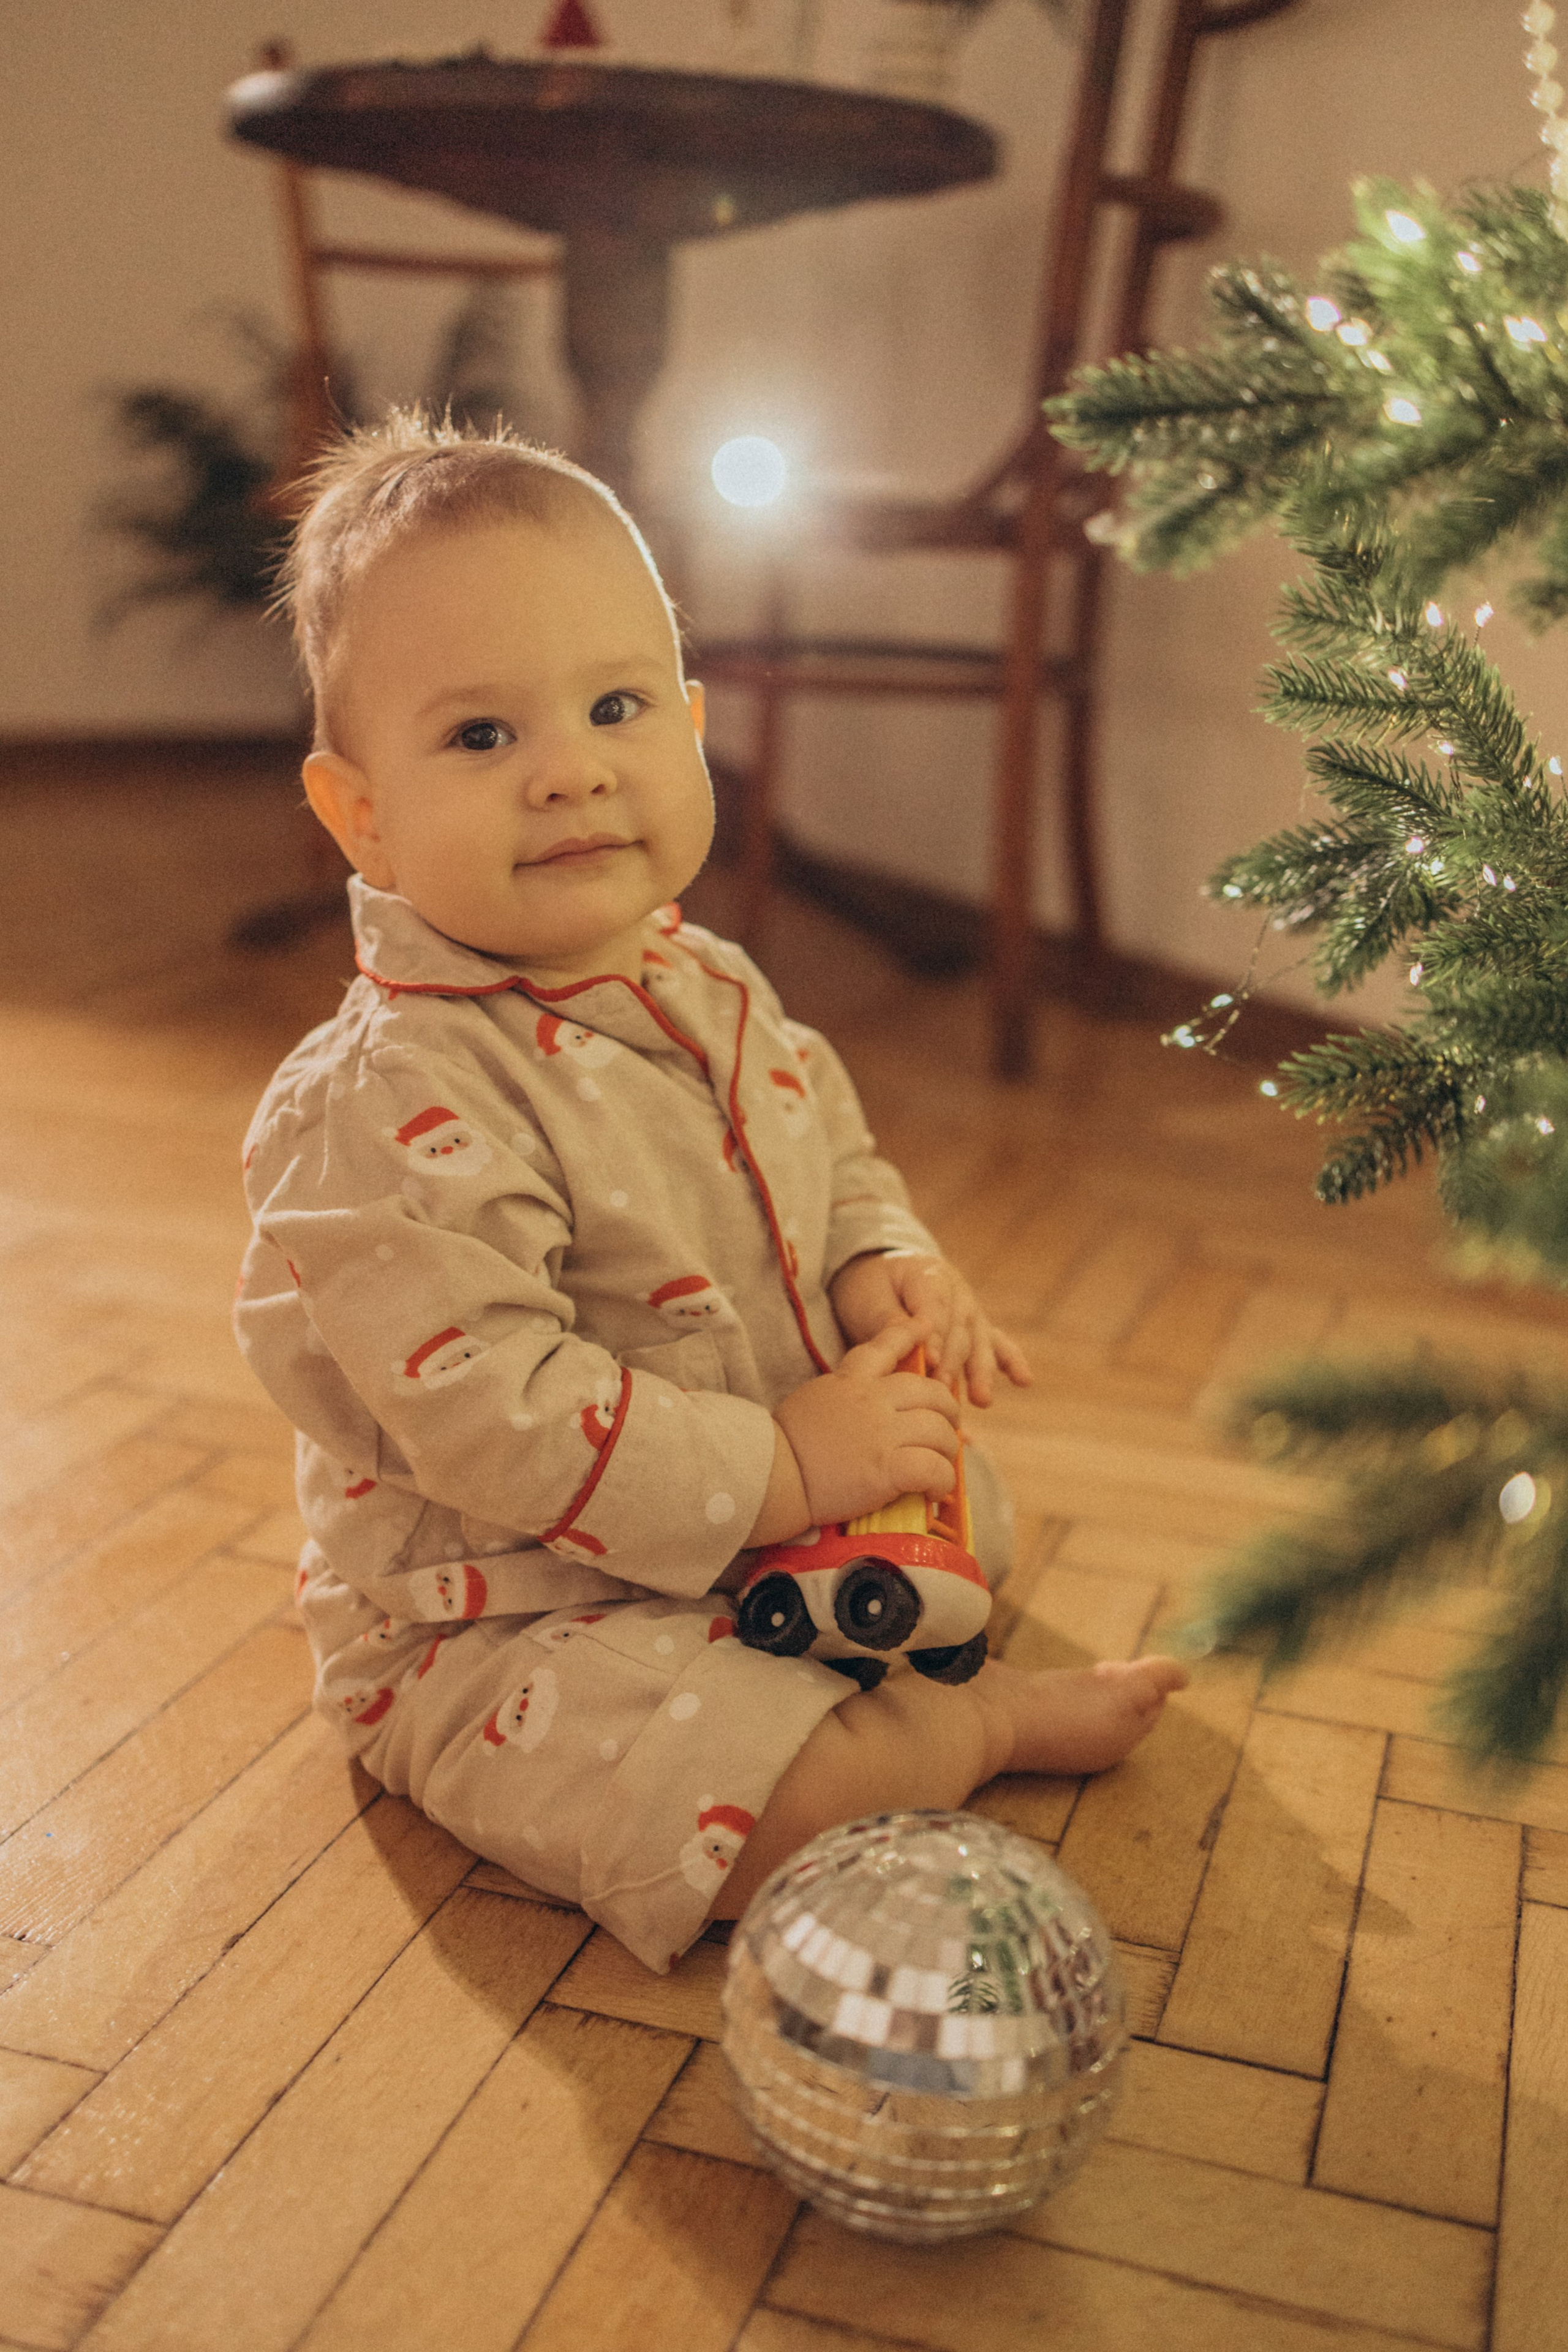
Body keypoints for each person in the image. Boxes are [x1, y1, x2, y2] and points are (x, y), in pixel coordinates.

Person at [235, 412, 1186, 1972]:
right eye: (482, 738)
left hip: (740, 1527)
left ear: (689, 724)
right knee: (783, 1803)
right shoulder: (384, 1103)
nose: (570, 774)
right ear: (361, 815)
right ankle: (965, 1728)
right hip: (502, 1613)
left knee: (971, 1519)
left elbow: (831, 1163)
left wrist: (885, 1265)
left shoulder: (710, 979)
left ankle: (850, 1647)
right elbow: (497, 1415)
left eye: (614, 708)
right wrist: (792, 1466)